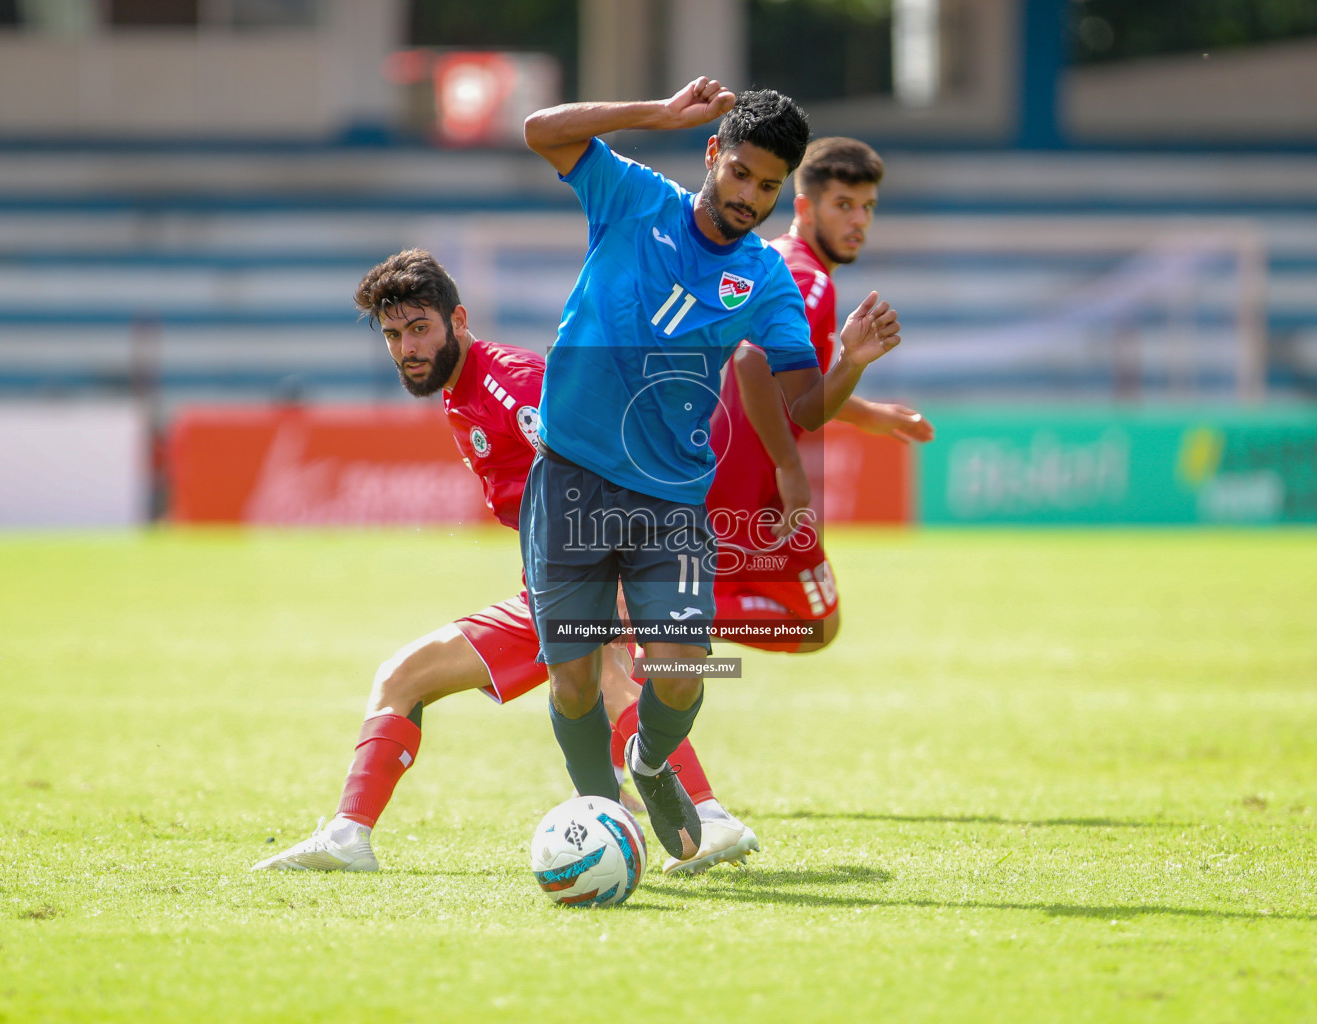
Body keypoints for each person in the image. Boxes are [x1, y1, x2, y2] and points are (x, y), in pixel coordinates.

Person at [252, 249, 753, 872]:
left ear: (457, 320)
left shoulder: (508, 383)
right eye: (393, 334)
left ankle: (705, 817)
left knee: (610, 676)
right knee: (401, 677)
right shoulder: (458, 391)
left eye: (419, 329)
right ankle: (348, 836)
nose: (406, 347)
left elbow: (606, 454)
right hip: (550, 587)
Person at [520, 79, 904, 865]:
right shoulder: (632, 197)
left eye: (767, 186)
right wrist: (654, 112)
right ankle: (600, 814)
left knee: (682, 672)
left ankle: (651, 766)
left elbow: (803, 406)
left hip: (670, 499)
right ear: (712, 155)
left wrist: (853, 364)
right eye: (739, 175)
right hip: (569, 479)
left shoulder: (767, 279)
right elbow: (538, 129)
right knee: (572, 682)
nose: (749, 197)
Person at [605, 138, 936, 873]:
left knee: (805, 623)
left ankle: (652, 644)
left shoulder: (787, 268)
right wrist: (789, 465)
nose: (859, 222)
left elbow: (797, 379)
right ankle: (659, 641)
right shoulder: (806, 279)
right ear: (806, 205)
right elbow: (757, 361)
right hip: (737, 492)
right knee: (815, 621)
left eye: (869, 208)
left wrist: (870, 411)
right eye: (844, 206)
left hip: (714, 486)